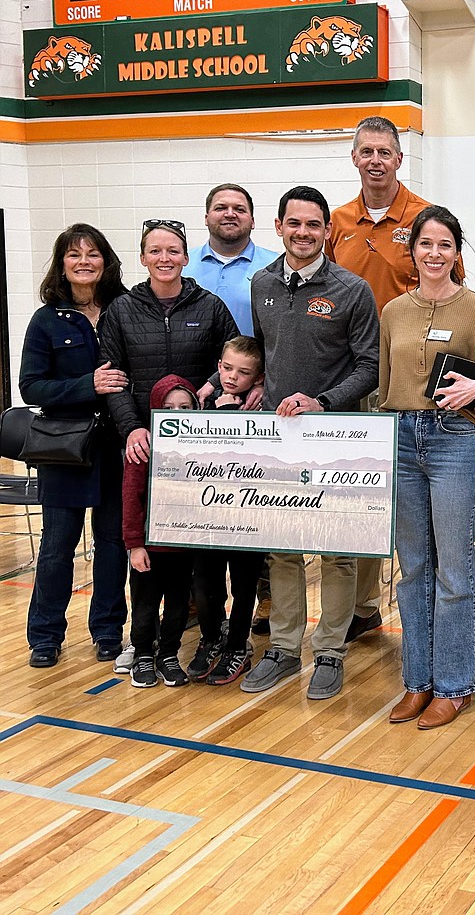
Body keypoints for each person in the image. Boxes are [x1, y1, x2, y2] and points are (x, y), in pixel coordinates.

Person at [241, 185, 380, 701]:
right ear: (278, 228)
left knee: (338, 553)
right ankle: (282, 648)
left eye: (313, 225)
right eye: (293, 224)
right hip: (281, 438)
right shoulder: (262, 284)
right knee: (281, 551)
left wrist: (324, 400)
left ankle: (330, 652)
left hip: (337, 437)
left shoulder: (352, 290)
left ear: (327, 231)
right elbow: (267, 351)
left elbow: (371, 364)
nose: (303, 233)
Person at [326, 116, 460, 642]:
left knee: (406, 500)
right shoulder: (336, 222)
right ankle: (363, 606)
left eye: (386, 151)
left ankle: (421, 607)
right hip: (352, 377)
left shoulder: (426, 218)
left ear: (399, 159)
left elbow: (452, 290)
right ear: (355, 158)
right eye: (367, 151)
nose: (376, 159)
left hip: (410, 386)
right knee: (360, 494)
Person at [380, 205, 475, 728]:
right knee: (413, 569)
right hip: (403, 439)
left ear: (458, 252)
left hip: (455, 439)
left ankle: (453, 685)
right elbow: (387, 387)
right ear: (412, 251)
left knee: (454, 568)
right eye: (425, 244)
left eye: (445, 245)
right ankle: (417, 681)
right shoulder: (392, 312)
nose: (434, 254)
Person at [20, 223, 130, 669]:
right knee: (56, 546)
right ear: (61, 265)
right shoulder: (46, 319)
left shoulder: (125, 309)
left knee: (111, 543)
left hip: (116, 447)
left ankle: (107, 632)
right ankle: (45, 636)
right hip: (65, 450)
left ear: (106, 261)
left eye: (92, 254)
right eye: (73, 255)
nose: (83, 261)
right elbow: (32, 386)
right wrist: (90, 384)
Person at [101, 219, 239, 467]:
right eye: (155, 251)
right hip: (143, 438)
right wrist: (132, 428)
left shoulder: (211, 306)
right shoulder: (121, 310)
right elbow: (113, 380)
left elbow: (236, 363)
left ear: (186, 258)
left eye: (173, 251)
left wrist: (212, 395)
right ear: (143, 258)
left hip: (203, 436)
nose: (164, 258)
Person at [187, 335, 266, 685]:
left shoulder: (261, 410)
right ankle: (211, 637)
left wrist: (232, 412)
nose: (233, 377)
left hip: (249, 514)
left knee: (245, 582)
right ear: (219, 367)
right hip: (208, 513)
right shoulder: (201, 404)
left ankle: (238, 645)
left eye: (244, 372)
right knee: (206, 582)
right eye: (228, 369)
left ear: (258, 378)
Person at [122, 375, 200, 688]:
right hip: (149, 549)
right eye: (170, 407)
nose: (178, 413)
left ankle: (169, 655)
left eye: (185, 406)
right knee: (144, 606)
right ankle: (142, 654)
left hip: (183, 549)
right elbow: (131, 499)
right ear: (156, 408)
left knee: (179, 607)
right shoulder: (143, 449)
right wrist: (134, 545)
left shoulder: (206, 449)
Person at [187, 183, 280, 337]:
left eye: (239, 209)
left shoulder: (276, 266)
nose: (230, 214)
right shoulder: (182, 265)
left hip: (254, 360)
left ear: (253, 221)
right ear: (206, 218)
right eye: (220, 208)